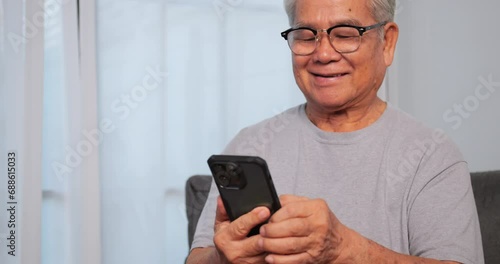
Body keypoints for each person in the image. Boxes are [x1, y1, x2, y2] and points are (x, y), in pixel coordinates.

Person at [187, 0, 484, 263]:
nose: (323, 54)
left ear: (387, 43)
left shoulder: (432, 156)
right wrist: (220, 259)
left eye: (344, 34)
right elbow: (197, 258)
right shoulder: (249, 145)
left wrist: (345, 250)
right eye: (306, 35)